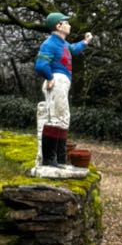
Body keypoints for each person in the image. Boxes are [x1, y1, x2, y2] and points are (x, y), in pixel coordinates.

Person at [34, 12, 93, 168]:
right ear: (58, 26)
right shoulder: (49, 44)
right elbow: (40, 65)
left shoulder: (63, 43)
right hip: (57, 81)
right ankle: (49, 158)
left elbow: (72, 49)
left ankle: (60, 157)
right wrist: (50, 77)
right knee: (56, 118)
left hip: (62, 83)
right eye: (66, 22)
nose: (69, 25)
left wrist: (85, 42)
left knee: (64, 117)